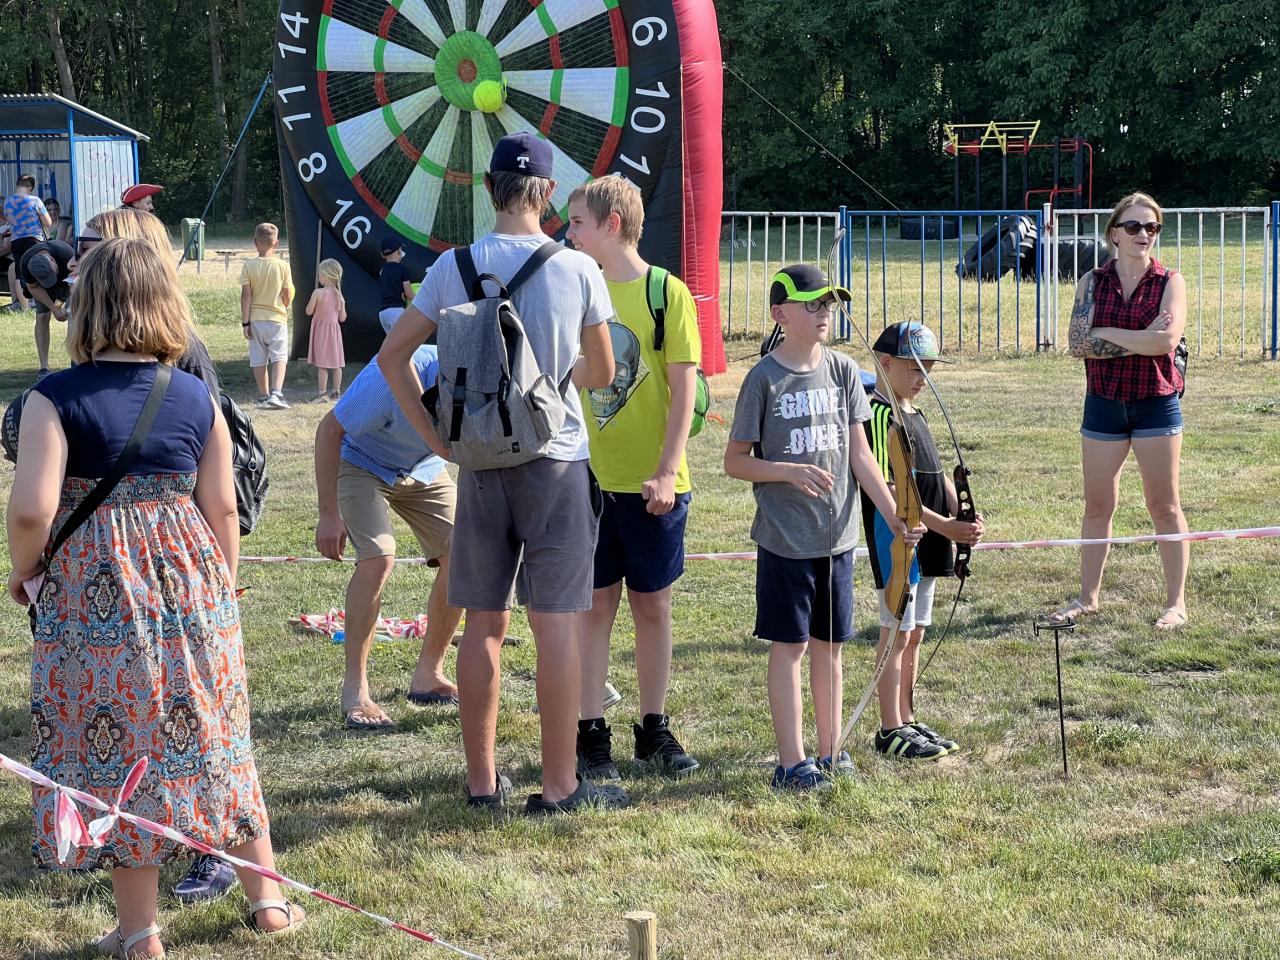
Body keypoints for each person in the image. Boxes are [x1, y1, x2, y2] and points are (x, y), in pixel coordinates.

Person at [6, 237, 304, 959]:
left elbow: (32, 510)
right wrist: (220, 588)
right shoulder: (197, 396)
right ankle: (267, 901)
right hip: (191, 580)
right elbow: (223, 507)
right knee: (219, 734)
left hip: (95, 589)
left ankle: (141, 933)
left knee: (119, 747)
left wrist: (27, 571)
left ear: (86, 305)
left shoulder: (53, 398)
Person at [379, 131, 624, 815]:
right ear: (548, 194)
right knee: (556, 626)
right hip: (556, 461)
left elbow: (394, 358)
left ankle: (482, 785)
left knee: (482, 624)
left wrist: (437, 436)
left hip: (479, 462)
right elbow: (603, 371)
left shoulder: (450, 266)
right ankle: (559, 785)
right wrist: (553, 380)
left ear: (488, 189)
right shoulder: (577, 269)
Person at [81, 206, 234, 905]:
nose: (76, 258)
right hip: (149, 569)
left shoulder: (184, 363)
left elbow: (212, 479)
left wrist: (214, 578)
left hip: (170, 564)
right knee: (165, 712)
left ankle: (211, 852)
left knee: (189, 713)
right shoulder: (106, 365)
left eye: (90, 248)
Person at [724, 265, 924, 791]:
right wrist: (785, 471)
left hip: (838, 540)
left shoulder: (842, 371)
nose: (823, 314)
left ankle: (832, 751)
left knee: (830, 647)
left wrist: (895, 515)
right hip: (785, 541)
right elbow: (735, 461)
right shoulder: (763, 379)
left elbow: (861, 455)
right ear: (780, 314)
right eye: (811, 304)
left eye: (828, 304)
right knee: (789, 648)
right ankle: (792, 762)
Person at [564, 175, 700, 780]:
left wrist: (667, 471)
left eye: (577, 223)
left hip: (655, 487)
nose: (568, 233)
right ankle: (590, 731)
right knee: (594, 608)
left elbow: (684, 391)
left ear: (611, 225)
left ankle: (653, 727)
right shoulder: (575, 287)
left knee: (652, 606)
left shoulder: (666, 293)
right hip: (589, 483)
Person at [1057, 192, 1189, 630]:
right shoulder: (1091, 281)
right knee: (1098, 505)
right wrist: (1138, 336)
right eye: (1133, 226)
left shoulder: (1170, 282)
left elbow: (1165, 342)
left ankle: (1176, 603)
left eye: (1152, 227)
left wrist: (1106, 332)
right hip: (1104, 403)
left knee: (1164, 505)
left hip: (1156, 403)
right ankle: (1087, 598)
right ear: (1114, 233)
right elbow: (1078, 344)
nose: (1143, 234)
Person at [314, 345, 464, 730]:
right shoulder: (389, 379)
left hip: (423, 468)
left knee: (465, 554)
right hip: (361, 462)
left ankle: (429, 675)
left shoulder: (482, 381)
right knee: (379, 556)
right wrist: (328, 515)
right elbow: (329, 430)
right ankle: (356, 690)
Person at [860, 322, 984, 760]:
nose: (922, 378)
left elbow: (935, 474)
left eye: (928, 369)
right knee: (897, 630)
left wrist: (960, 512)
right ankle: (889, 728)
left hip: (931, 535)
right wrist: (945, 526)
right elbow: (892, 489)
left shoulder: (915, 413)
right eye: (914, 368)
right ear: (885, 363)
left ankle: (907, 718)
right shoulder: (879, 415)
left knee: (915, 633)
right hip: (899, 538)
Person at [82, 208, 221, 397]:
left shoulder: (184, 350)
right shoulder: (89, 338)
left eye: (86, 251)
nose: (71, 263)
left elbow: (206, 414)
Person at [240, 223, 293, 410]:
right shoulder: (283, 266)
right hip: (277, 318)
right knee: (279, 356)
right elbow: (287, 293)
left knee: (258, 358)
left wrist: (245, 322)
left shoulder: (248, 266)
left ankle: (263, 395)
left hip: (255, 319)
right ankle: (276, 392)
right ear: (276, 243)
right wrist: (285, 304)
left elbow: (246, 296)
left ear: (255, 242)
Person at [18, 238, 75, 379]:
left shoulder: (66, 253)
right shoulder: (26, 262)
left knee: (73, 316)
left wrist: (63, 307)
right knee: (43, 316)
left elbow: (78, 282)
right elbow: (33, 287)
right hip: (40, 287)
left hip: (69, 282)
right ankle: (44, 368)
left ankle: (76, 362)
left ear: (53, 260)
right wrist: (53, 308)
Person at [4, 174, 52, 313]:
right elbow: (48, 222)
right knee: (36, 270)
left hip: (16, 241)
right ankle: (39, 303)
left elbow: (10, 220)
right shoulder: (35, 200)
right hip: (33, 240)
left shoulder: (8, 201)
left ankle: (25, 308)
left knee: (20, 273)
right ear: (30, 188)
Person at [306, 258, 347, 401]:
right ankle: (336, 392)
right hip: (335, 333)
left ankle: (322, 393)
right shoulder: (339, 295)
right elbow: (342, 318)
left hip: (321, 332)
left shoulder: (318, 293)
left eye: (320, 275)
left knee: (322, 364)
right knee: (337, 363)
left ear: (325, 276)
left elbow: (308, 311)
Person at [377, 235, 414, 333]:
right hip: (396, 311)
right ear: (399, 251)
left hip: (383, 313)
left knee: (392, 340)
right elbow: (408, 293)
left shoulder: (382, 271)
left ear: (383, 255)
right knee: (404, 339)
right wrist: (419, 299)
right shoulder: (402, 270)